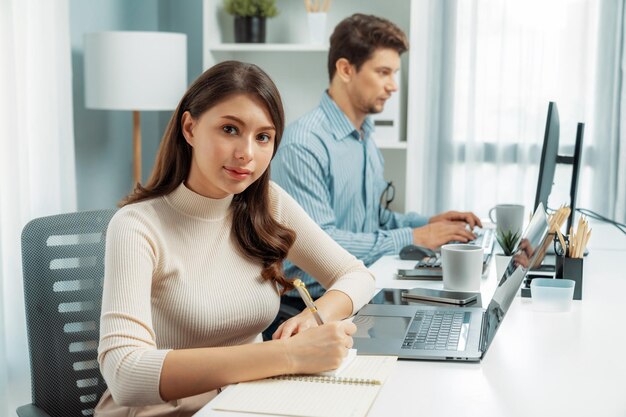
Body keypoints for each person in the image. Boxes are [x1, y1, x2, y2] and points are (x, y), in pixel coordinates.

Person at [95, 60, 375, 417]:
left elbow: (357, 275)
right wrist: (288, 356)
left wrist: (314, 316)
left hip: (247, 401)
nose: (247, 154)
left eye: (263, 137)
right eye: (230, 129)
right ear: (190, 128)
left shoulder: (267, 202)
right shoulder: (136, 226)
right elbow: (126, 374)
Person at [271, 13, 482, 305]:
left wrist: (430, 222)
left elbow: (374, 220)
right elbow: (320, 243)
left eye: (394, 73)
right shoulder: (304, 145)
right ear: (345, 69)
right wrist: (415, 237)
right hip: (309, 307)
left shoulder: (365, 137)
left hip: (361, 291)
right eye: (383, 72)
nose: (393, 86)